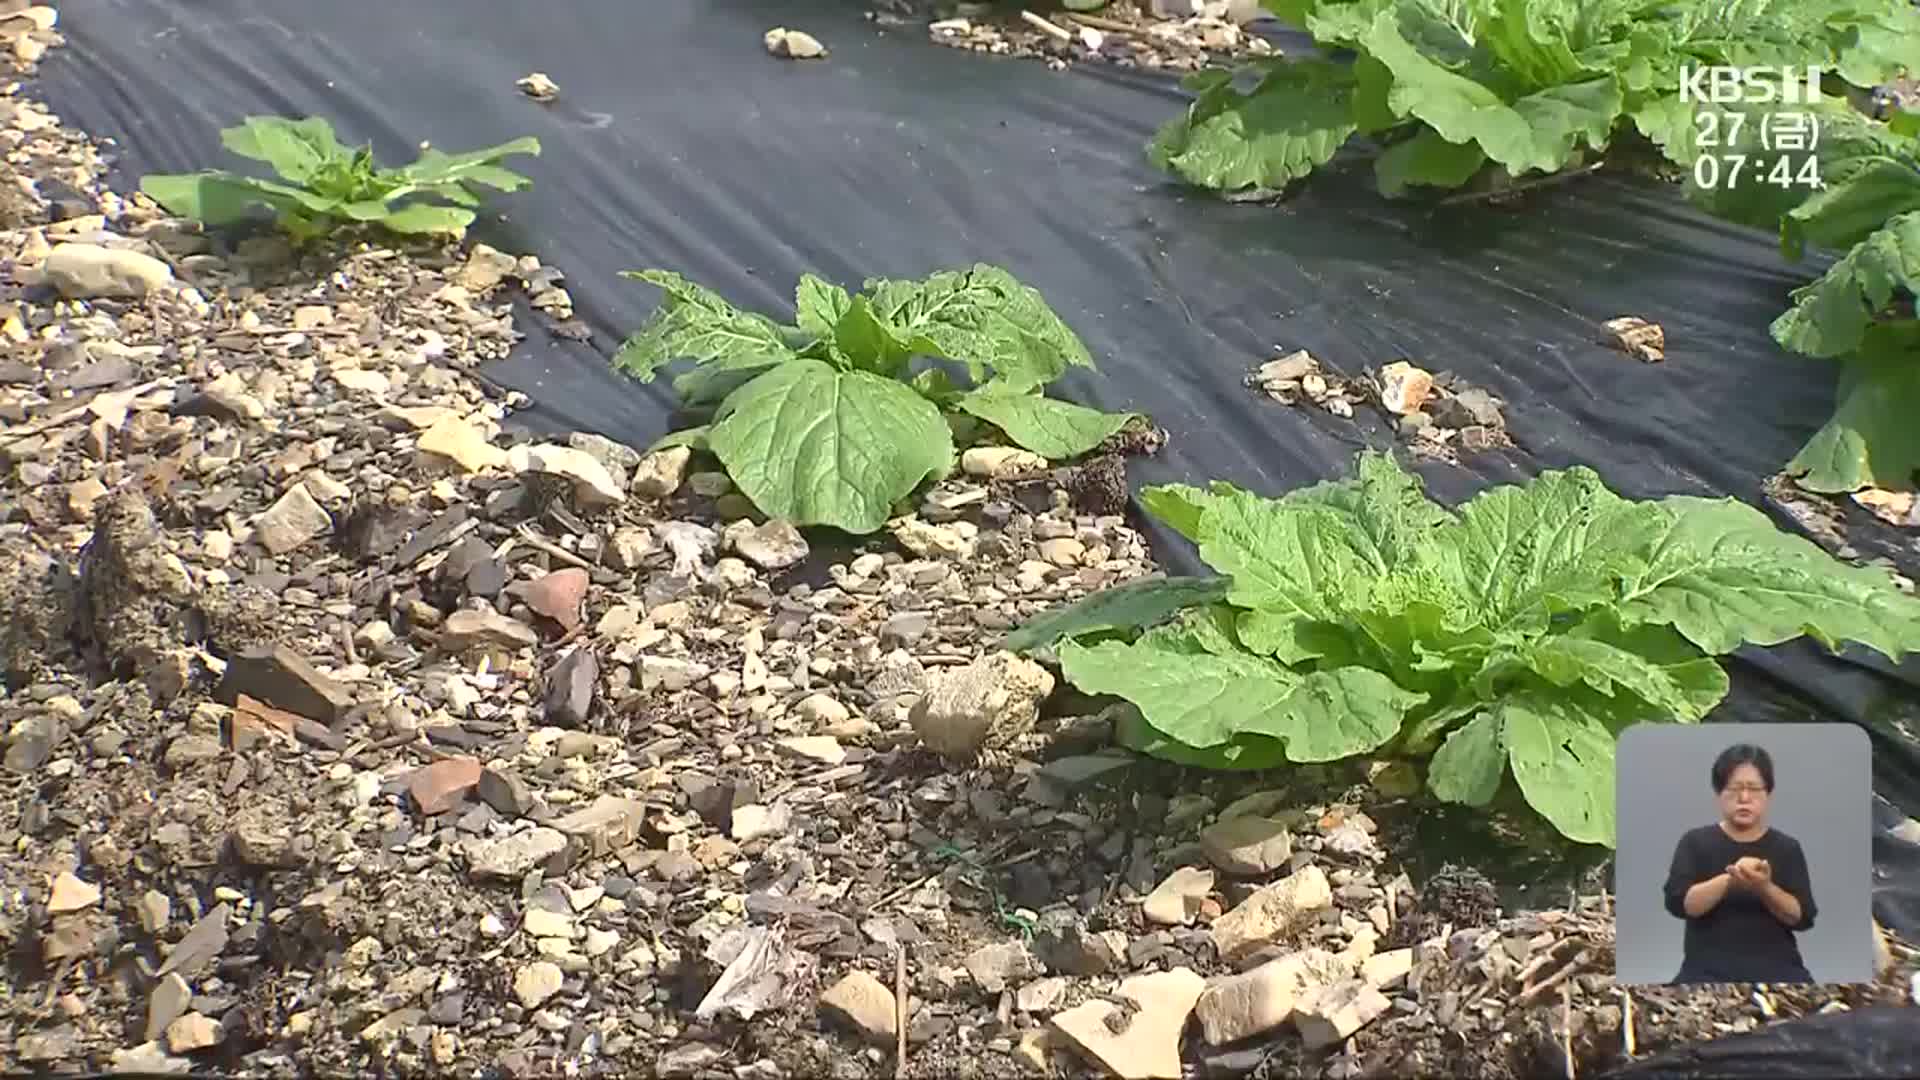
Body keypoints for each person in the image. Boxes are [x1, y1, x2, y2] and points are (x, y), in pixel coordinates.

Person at [1662, 743, 1818, 984]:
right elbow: (1682, 904)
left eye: (1754, 789)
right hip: (1706, 970)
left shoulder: (1787, 848)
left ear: (1768, 794)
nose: (1744, 798)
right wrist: (1729, 880)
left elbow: (1800, 917)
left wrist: (1764, 888)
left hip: (1780, 969)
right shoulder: (1695, 842)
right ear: (1719, 793)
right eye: (1735, 789)